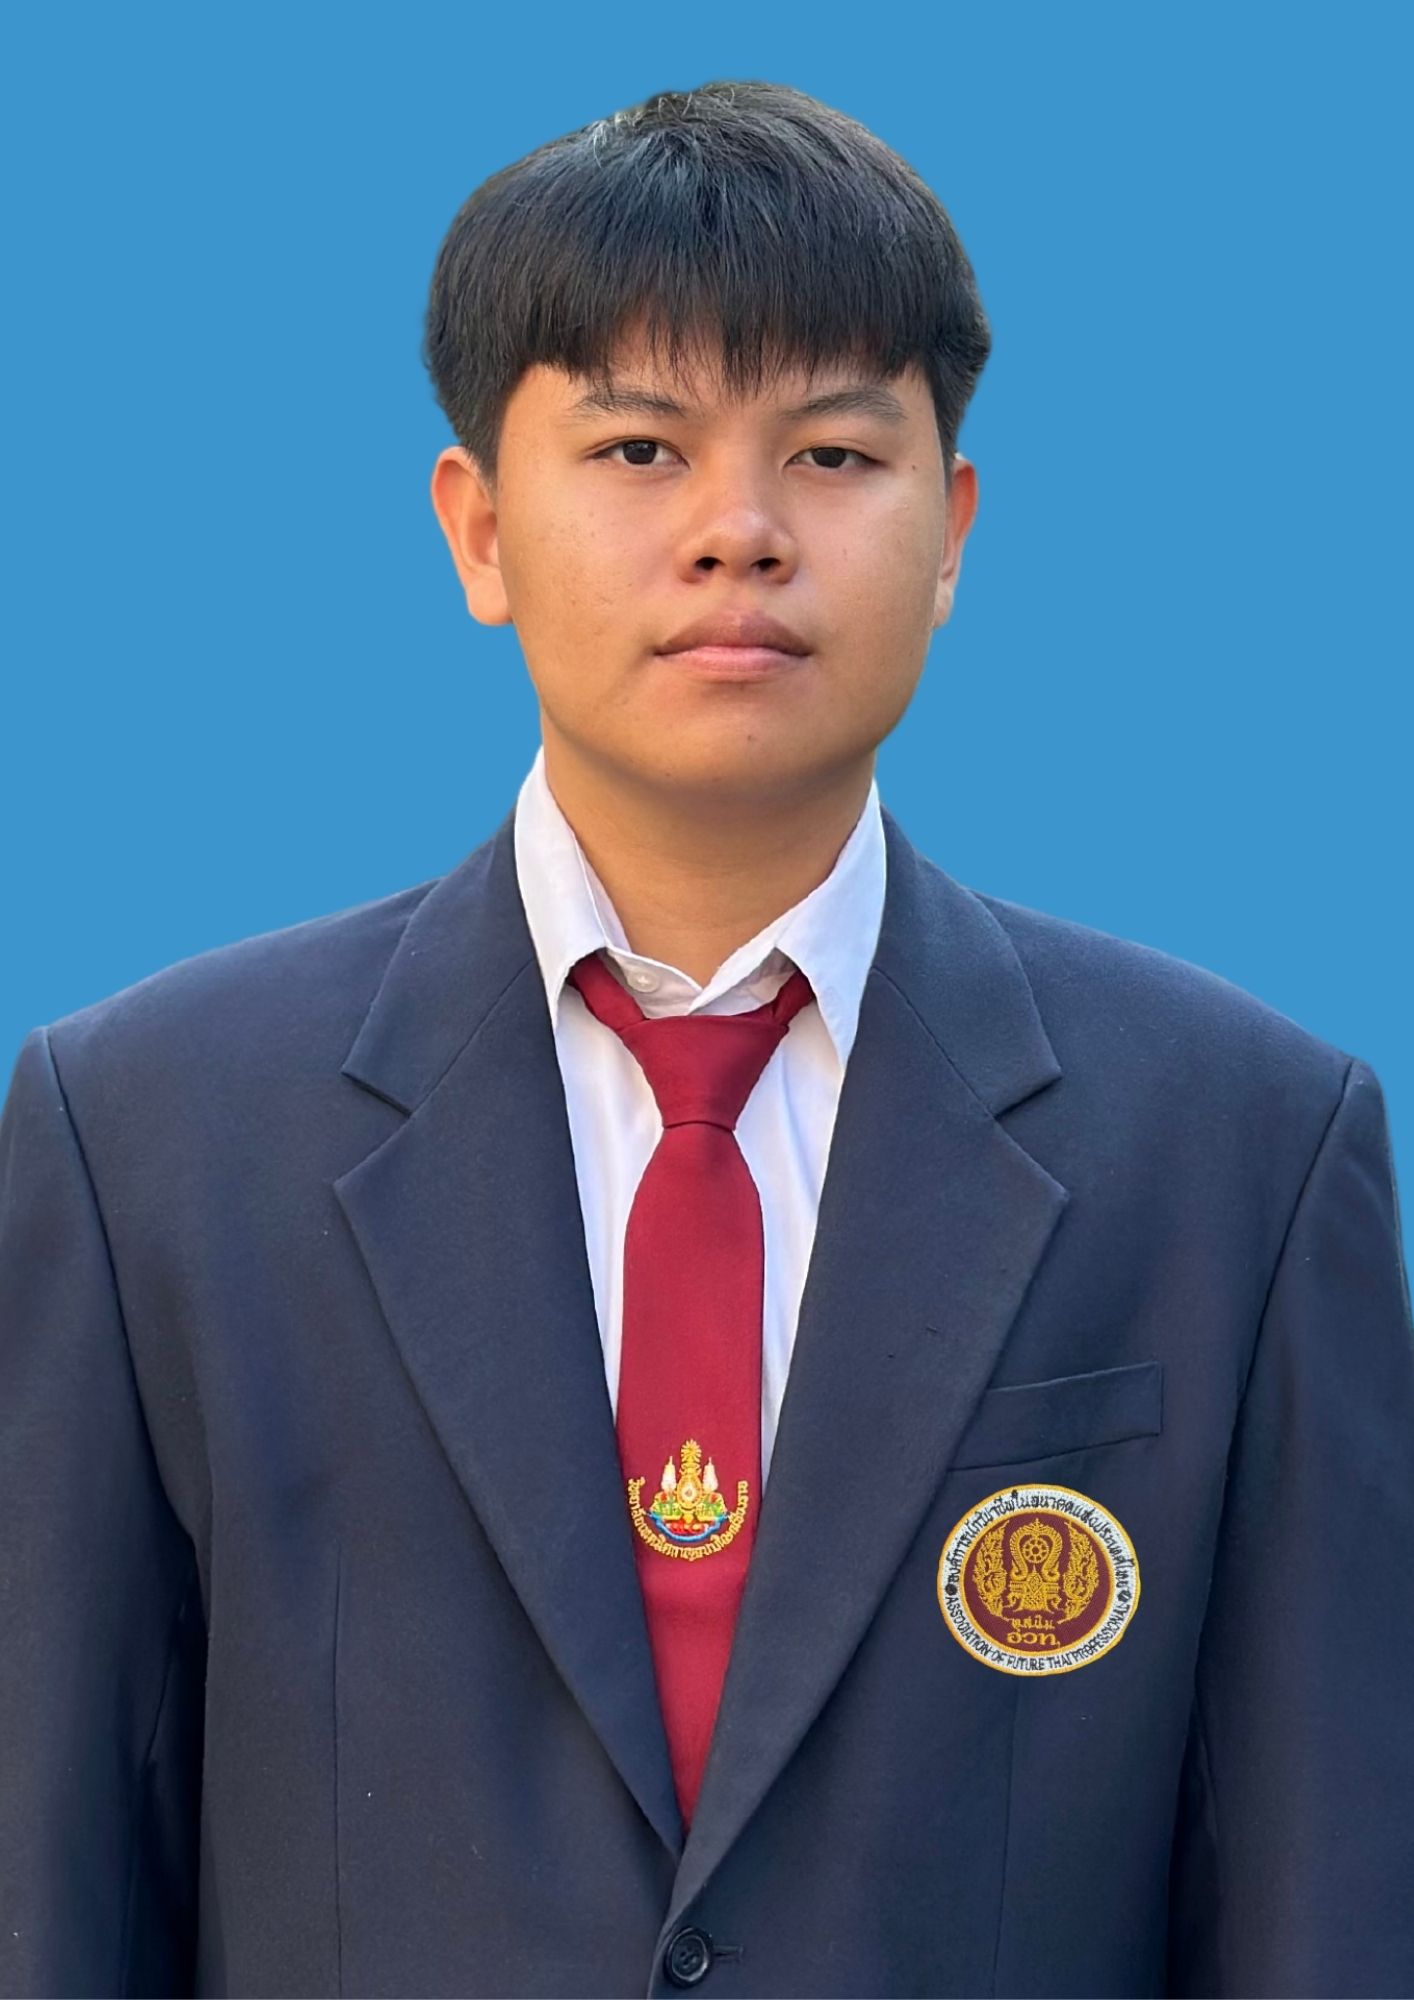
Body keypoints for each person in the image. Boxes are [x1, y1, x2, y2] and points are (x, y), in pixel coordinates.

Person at [1, 76, 1411, 2000]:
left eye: (830, 454)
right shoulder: (149, 1137)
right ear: (479, 530)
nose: (738, 533)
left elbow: (1330, 1903)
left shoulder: (1241, 1147)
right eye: (640, 449)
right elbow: (53, 1876)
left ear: (950, 530)